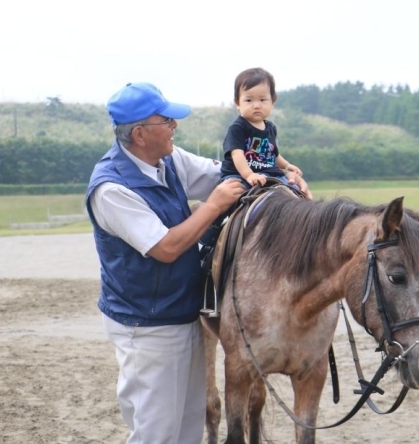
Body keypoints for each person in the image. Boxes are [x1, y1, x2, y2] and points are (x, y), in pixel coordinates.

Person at [85, 82, 308, 443]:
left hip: (183, 313)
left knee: (189, 427)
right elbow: (166, 248)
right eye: (167, 120)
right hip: (147, 325)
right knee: (156, 432)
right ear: (140, 134)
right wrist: (215, 205)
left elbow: (227, 177)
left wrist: (286, 183)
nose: (175, 126)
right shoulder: (111, 189)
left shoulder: (168, 160)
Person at [220, 67, 305, 189]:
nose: (256, 105)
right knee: (233, 196)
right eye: (249, 100)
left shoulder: (270, 128)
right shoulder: (238, 127)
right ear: (238, 103)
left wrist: (287, 165)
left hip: (270, 174)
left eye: (263, 99)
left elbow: (273, 154)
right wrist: (249, 175)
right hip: (240, 176)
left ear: (272, 102)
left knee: (295, 191)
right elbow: (237, 155)